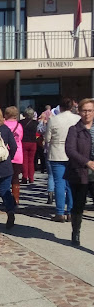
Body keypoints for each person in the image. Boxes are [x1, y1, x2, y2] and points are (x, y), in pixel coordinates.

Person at [45, 98, 80, 222]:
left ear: (60, 107)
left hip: (57, 152)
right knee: (71, 183)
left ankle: (60, 212)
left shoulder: (54, 120)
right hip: (73, 153)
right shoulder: (77, 119)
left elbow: (47, 138)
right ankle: (71, 211)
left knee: (59, 183)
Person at [65, 98, 94, 246]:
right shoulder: (74, 129)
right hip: (80, 172)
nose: (87, 113)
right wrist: (87, 162)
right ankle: (76, 231)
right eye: (84, 110)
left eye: (90, 110)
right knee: (78, 205)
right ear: (79, 112)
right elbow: (70, 150)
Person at [4, 106, 23, 204]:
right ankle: (16, 198)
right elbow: (21, 138)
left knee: (6, 177)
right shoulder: (19, 126)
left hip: (6, 153)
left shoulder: (3, 125)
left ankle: (7, 198)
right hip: (18, 153)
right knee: (15, 177)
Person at [20, 107, 38, 184]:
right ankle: (31, 178)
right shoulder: (36, 123)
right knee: (31, 161)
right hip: (33, 142)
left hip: (24, 142)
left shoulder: (21, 122)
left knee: (25, 161)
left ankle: (24, 177)